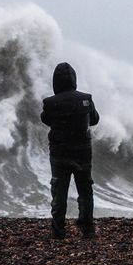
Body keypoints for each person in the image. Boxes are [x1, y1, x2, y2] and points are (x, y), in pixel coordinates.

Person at [41, 62, 100, 239]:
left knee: (59, 192)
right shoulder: (86, 99)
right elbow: (95, 120)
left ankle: (58, 230)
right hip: (83, 153)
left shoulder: (50, 102)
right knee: (85, 191)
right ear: (74, 79)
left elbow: (46, 120)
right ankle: (87, 229)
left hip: (59, 154)